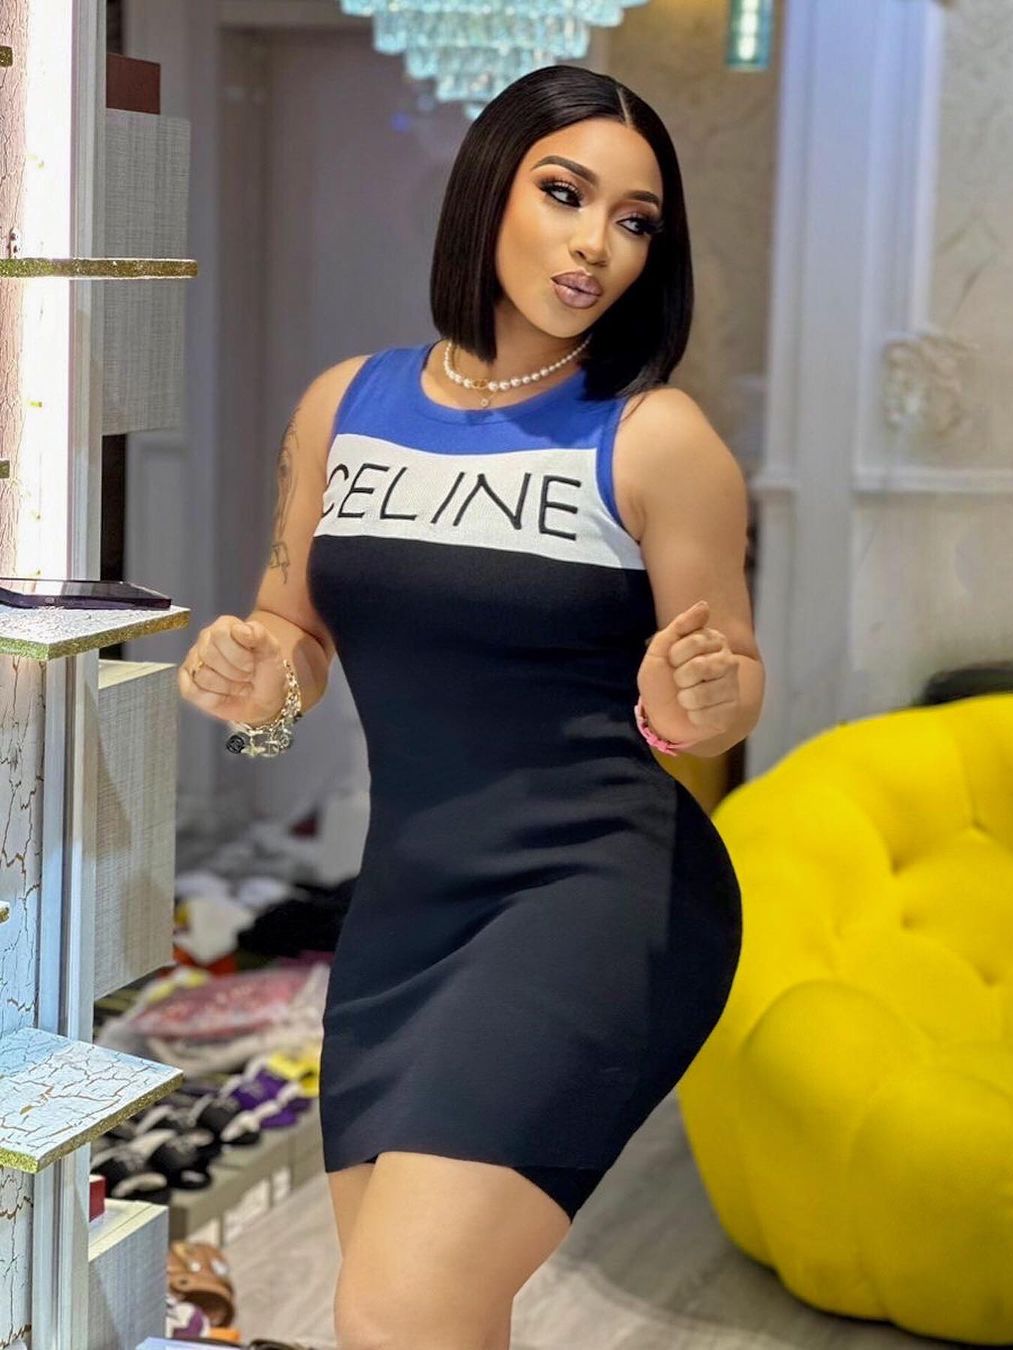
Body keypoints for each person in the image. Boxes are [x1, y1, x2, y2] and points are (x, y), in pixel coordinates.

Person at [178, 62, 764, 1350]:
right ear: (489, 191)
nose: (596, 242)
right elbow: (294, 631)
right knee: (426, 1318)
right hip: (406, 907)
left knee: (399, 1311)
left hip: (596, 897)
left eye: (634, 220)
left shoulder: (658, 439)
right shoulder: (344, 404)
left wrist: (702, 698)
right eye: (565, 194)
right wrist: (256, 676)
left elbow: (722, 691)